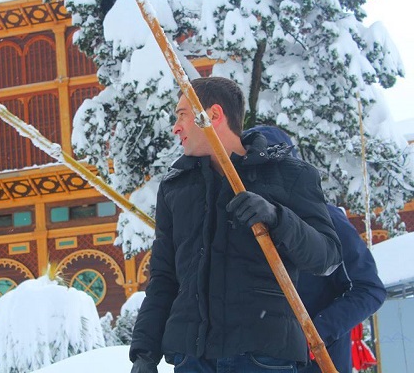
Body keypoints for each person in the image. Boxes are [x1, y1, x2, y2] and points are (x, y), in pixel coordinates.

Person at [129, 77, 342, 373]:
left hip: (260, 356)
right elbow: (165, 277)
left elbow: (327, 258)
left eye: (182, 115)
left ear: (213, 115)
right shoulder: (175, 189)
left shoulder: (289, 175)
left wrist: (277, 217)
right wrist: (145, 352)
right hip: (193, 359)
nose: (176, 127)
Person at [247, 125, 387, 373]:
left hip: (316, 363)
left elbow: (368, 288)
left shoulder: (327, 220)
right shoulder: (243, 220)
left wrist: (316, 332)